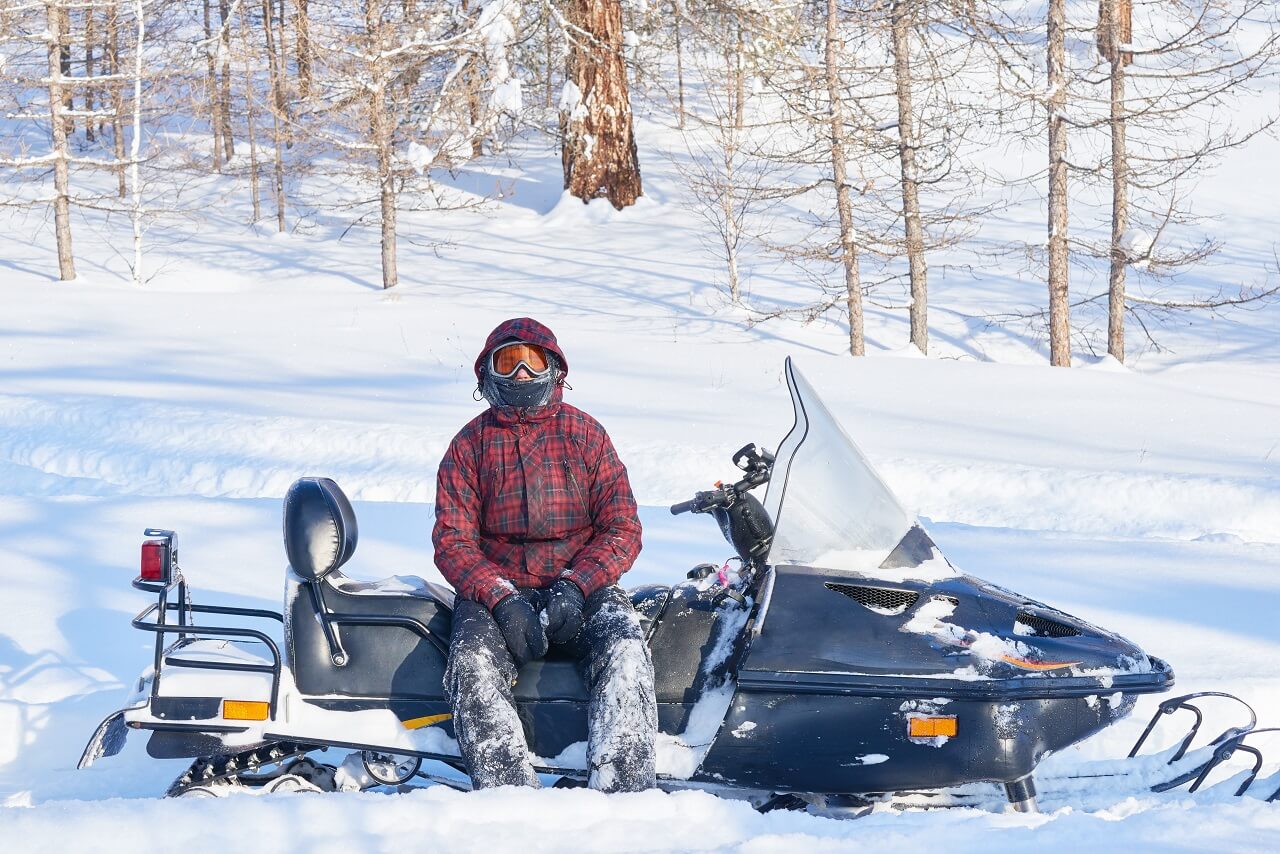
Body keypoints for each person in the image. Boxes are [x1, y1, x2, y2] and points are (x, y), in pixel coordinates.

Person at [432, 317, 657, 792]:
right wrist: (500, 598)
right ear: (487, 374)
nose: (520, 375)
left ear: (554, 369)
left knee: (626, 653)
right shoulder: (468, 445)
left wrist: (577, 586)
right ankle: (509, 798)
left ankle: (625, 797)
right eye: (507, 362)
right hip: (497, 589)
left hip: (583, 585)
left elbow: (622, 527)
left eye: (531, 362)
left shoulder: (586, 435)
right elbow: (453, 541)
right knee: (471, 665)